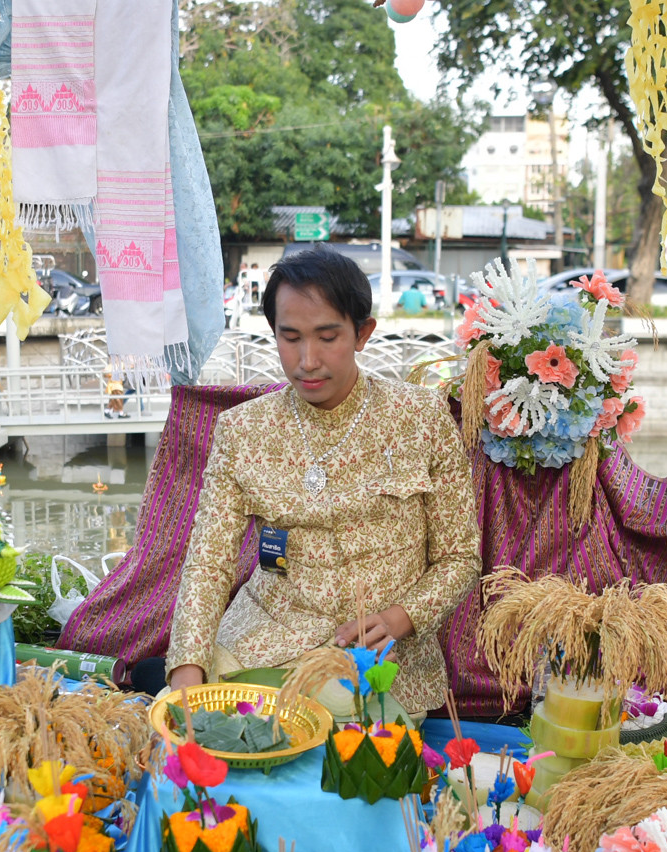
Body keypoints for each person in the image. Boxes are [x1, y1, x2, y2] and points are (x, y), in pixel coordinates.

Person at [163, 248, 480, 716]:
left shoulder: (422, 419)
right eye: (289, 338)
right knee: (213, 737)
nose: (307, 360)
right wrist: (187, 668)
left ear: (362, 333)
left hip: (378, 660)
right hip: (261, 641)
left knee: (349, 757)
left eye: (327, 336)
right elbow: (209, 563)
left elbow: (460, 556)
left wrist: (401, 619)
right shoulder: (242, 430)